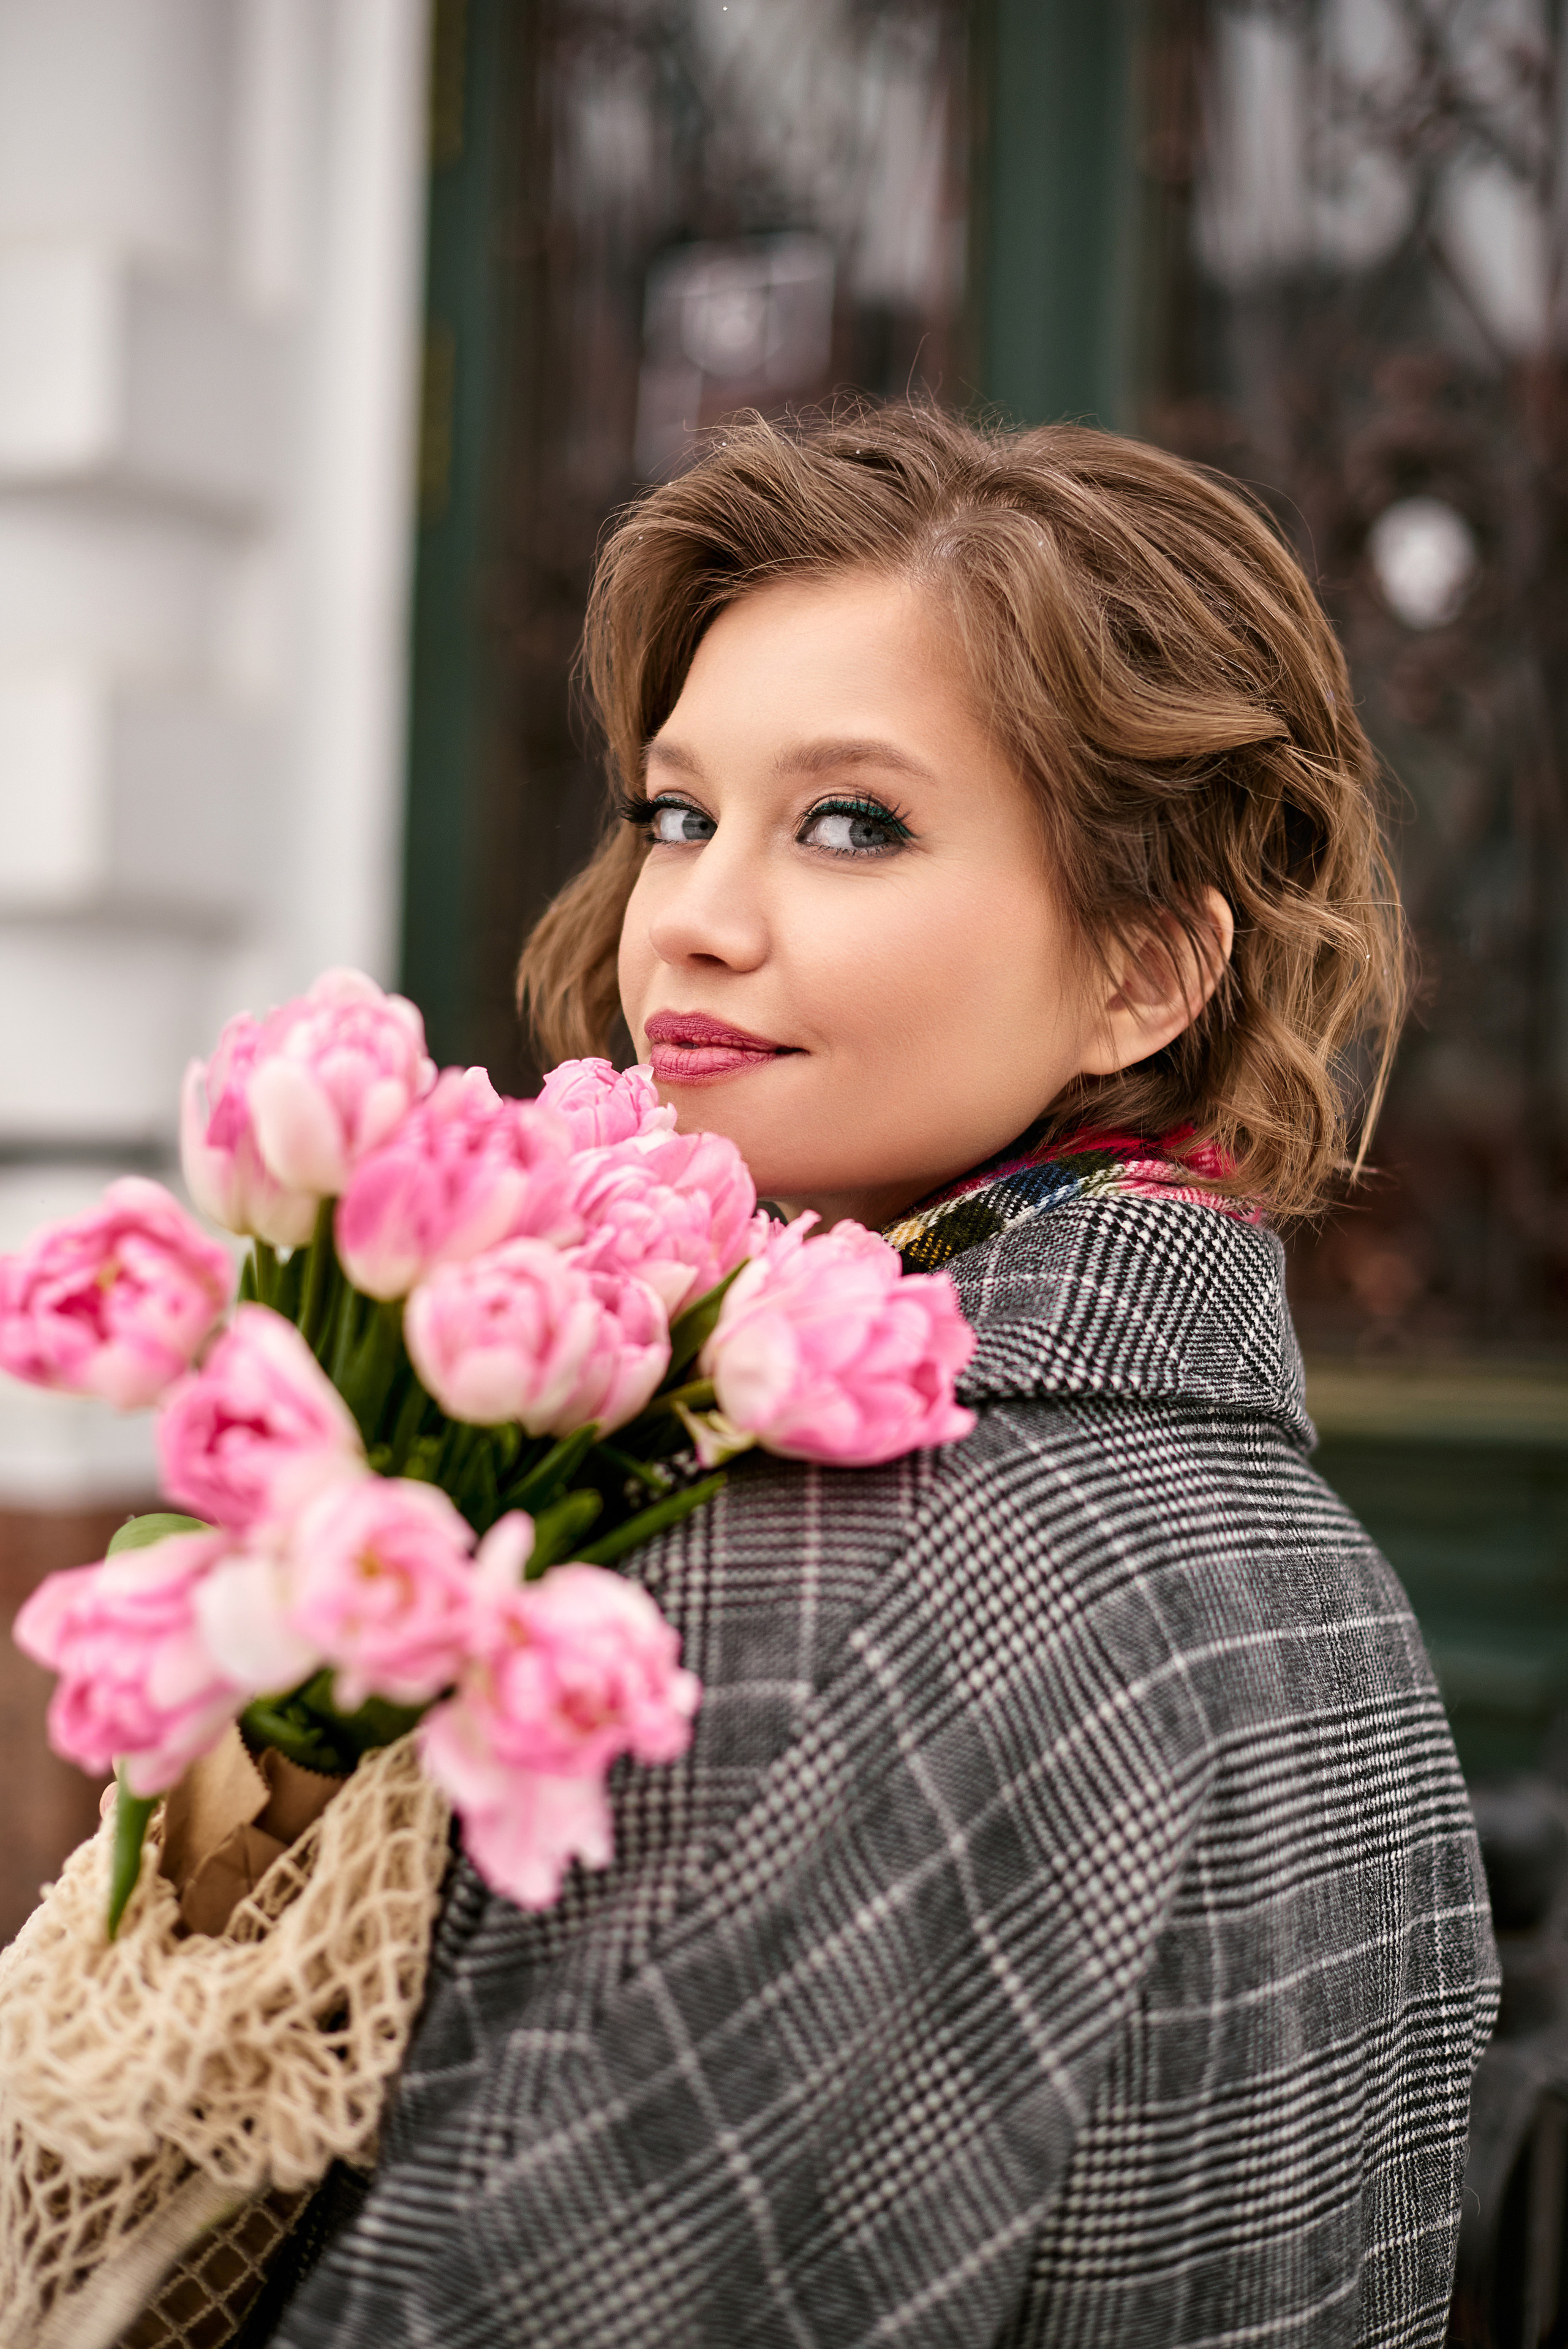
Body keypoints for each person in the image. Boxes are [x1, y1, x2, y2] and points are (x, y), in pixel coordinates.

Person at [274, 405, 1498, 2348]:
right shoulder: (1318, 1571)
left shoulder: (834, 1571)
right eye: (679, 811)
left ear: (1147, 972)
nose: (693, 912)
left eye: (852, 821)